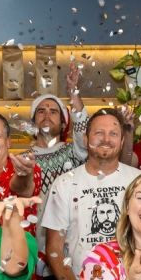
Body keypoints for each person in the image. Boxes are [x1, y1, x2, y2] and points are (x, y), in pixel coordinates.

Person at [40, 109, 141, 280]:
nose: (106, 139)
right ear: (86, 140)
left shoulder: (138, 182)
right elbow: (54, 249)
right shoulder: (64, 184)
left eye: (113, 134)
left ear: (121, 142)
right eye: (98, 133)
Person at [28, 63, 88, 196]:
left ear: (63, 124)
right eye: (41, 111)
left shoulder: (74, 152)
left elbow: (81, 125)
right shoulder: (24, 160)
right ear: (33, 123)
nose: (47, 115)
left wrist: (73, 90)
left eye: (53, 112)